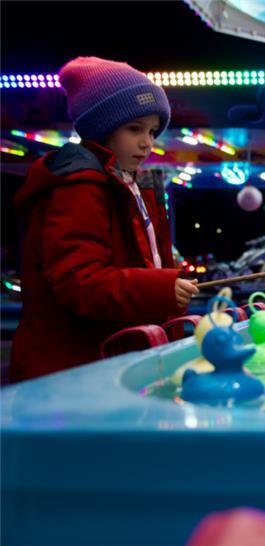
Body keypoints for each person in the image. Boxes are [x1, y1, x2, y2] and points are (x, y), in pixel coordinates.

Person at [10, 57, 198, 382]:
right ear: (103, 128)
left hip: (107, 364)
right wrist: (160, 288)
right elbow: (79, 282)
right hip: (71, 377)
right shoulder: (79, 185)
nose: (147, 142)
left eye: (152, 131)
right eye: (134, 129)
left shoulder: (125, 183)